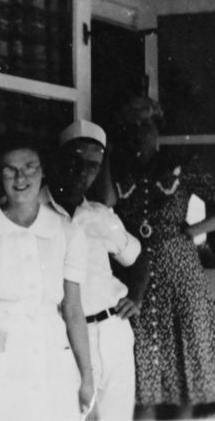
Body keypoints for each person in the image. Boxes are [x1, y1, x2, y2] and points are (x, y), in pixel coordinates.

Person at [0, 135, 95, 421]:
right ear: (0, 176)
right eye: (10, 169)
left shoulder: (67, 233)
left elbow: (73, 310)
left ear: (43, 172)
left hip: (49, 349)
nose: (20, 177)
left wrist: (87, 377)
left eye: (30, 167)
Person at [103, 96, 215, 418]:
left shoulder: (181, 165)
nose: (139, 133)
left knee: (184, 362)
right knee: (142, 365)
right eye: (131, 127)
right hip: (137, 274)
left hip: (179, 271)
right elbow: (108, 200)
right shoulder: (122, 169)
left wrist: (193, 232)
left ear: (157, 128)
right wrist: (109, 155)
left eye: (146, 125)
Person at [43, 119, 149, 420]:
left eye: (92, 165)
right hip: (67, 336)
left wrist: (137, 298)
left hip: (113, 330)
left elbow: (139, 258)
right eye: (74, 161)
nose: (82, 171)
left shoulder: (101, 216)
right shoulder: (34, 211)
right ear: (58, 160)